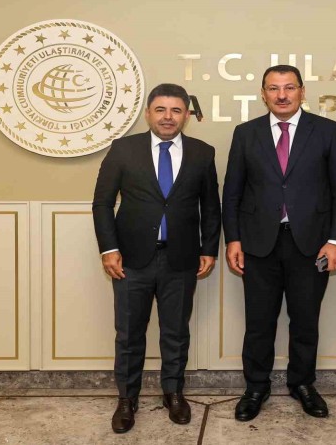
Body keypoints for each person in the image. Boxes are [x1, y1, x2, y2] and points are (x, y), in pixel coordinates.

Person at [222, 65, 336, 421]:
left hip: (312, 245)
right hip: (257, 244)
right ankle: (256, 387)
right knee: (259, 322)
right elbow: (232, 192)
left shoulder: (327, 131)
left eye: (289, 87)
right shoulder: (246, 133)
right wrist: (233, 239)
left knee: (306, 320)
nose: (282, 95)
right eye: (273, 88)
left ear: (302, 91)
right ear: (263, 94)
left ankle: (303, 384)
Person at [92, 83, 221, 433]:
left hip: (181, 259)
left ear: (186, 115)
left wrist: (209, 249)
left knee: (176, 332)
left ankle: (173, 394)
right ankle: (127, 398)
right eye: (161, 110)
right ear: (148, 113)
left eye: (176, 110)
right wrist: (109, 249)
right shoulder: (123, 149)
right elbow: (102, 203)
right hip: (130, 261)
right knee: (129, 334)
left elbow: (211, 207)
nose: (168, 117)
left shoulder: (202, 153)